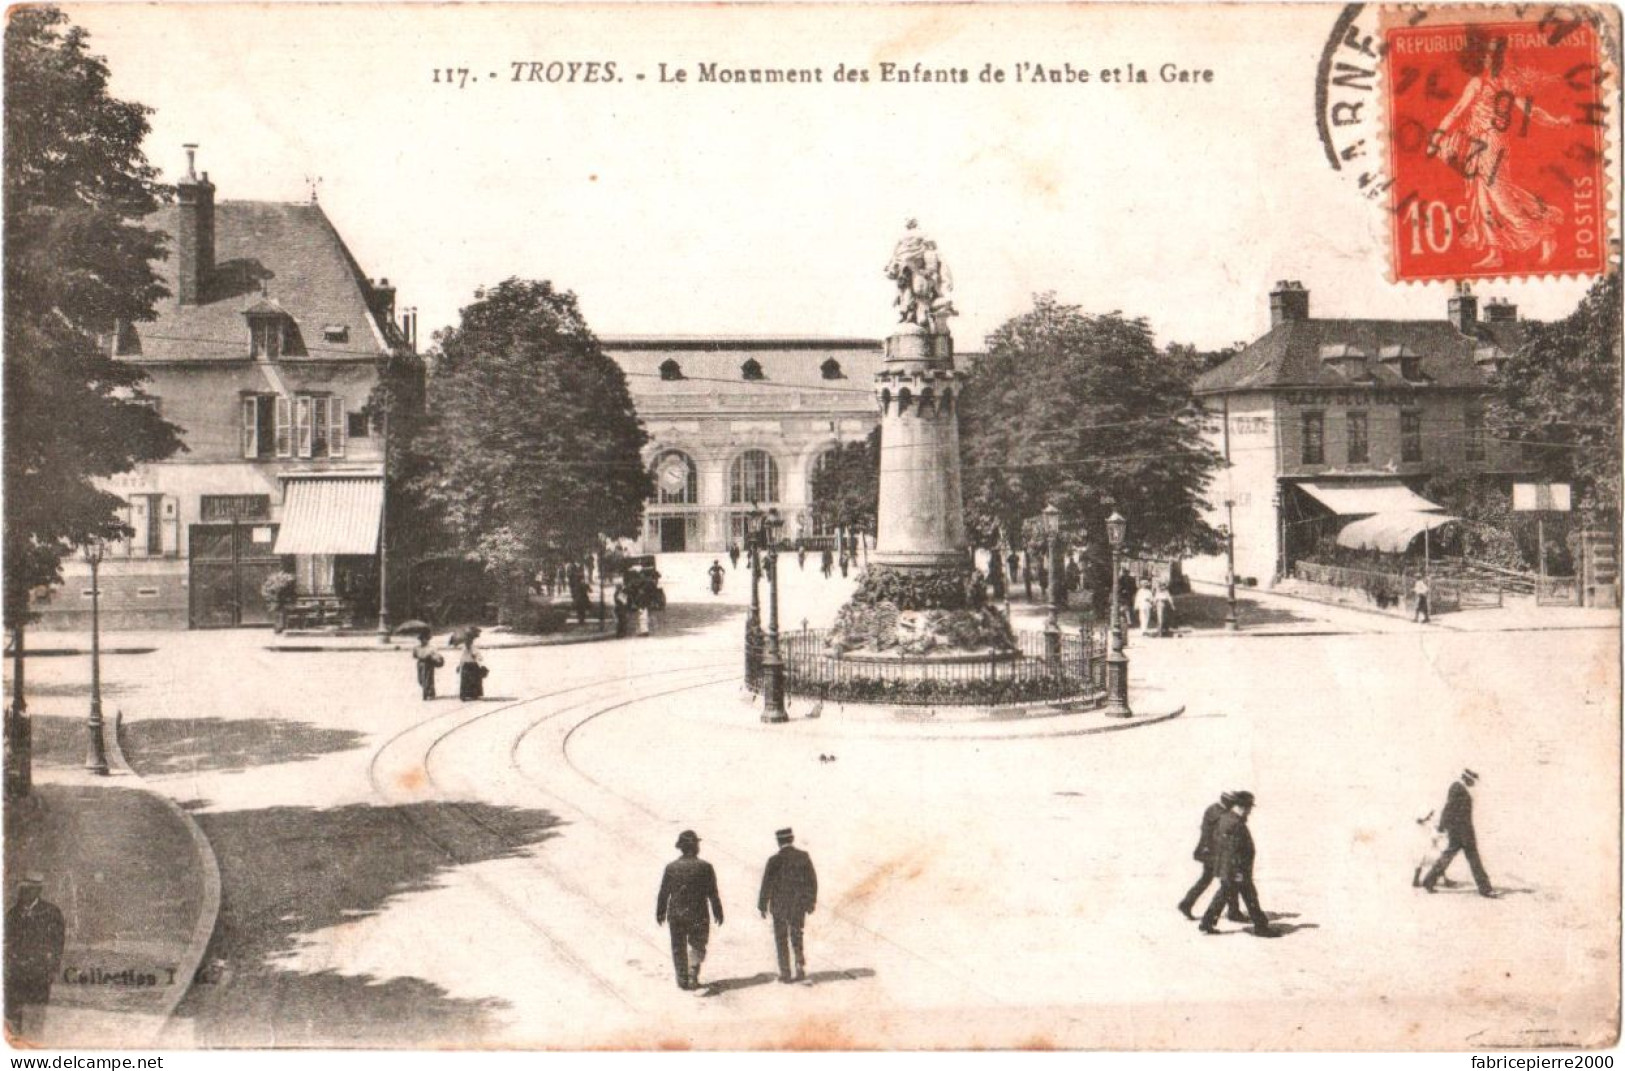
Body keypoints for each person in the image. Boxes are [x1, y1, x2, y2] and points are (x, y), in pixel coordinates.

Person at [1199, 791, 1277, 937]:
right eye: (1248, 808)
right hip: (1236, 869)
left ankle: (1207, 922)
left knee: (1223, 895)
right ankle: (1261, 927)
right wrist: (1238, 872)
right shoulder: (1235, 823)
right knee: (1250, 897)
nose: (1249, 811)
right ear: (1242, 807)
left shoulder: (1226, 818)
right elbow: (1233, 850)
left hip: (1229, 869)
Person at [656, 830, 724, 990]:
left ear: (681, 847)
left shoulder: (671, 867)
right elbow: (713, 892)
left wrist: (660, 911)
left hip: (676, 914)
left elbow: (664, 892)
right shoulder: (705, 867)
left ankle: (682, 979)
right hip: (698, 913)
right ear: (695, 847)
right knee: (698, 944)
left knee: (678, 946)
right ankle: (693, 974)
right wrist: (717, 911)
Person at [5, 874, 64, 1040]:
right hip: (16, 973)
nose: (25, 893)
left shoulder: (51, 912)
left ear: (38, 890)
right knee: (14, 1014)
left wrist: (53, 969)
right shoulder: (13, 914)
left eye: (30, 889)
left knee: (37, 1013)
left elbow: (58, 943)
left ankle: (34, 1047)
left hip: (39, 972)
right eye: (23, 889)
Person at [1420, 769, 1495, 897]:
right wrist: (1442, 826)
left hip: (1461, 831)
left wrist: (1445, 827)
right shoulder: (1457, 788)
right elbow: (1448, 809)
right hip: (1461, 832)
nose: (1473, 784)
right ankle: (1485, 889)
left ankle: (1429, 881)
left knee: (1452, 857)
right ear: (1466, 778)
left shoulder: (1459, 788)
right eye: (1472, 781)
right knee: (1472, 859)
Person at [758, 828, 818, 983]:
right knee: (797, 934)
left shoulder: (774, 860)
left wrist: (762, 905)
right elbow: (812, 882)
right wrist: (810, 901)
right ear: (792, 839)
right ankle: (799, 966)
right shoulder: (803, 857)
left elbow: (766, 884)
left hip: (779, 906)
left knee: (781, 938)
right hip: (798, 905)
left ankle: (785, 973)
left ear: (779, 842)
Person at [1178, 793, 1248, 923]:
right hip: (1214, 853)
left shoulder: (1215, 809)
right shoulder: (1218, 813)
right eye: (1232, 802)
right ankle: (1232, 912)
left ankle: (1233, 911)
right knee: (1226, 882)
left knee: (1222, 881)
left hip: (1215, 852)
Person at [412, 630, 443, 700]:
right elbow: (414, 656)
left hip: (428, 664)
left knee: (428, 678)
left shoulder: (431, 648)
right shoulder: (417, 648)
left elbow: (436, 656)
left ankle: (428, 693)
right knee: (420, 679)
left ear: (427, 639)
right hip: (420, 664)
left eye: (424, 639)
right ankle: (428, 691)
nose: (423, 641)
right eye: (421, 639)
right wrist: (416, 653)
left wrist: (435, 658)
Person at [457, 631, 486, 700]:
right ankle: (464, 695)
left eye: (469, 640)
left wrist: (475, 656)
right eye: (466, 641)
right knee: (464, 681)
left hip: (473, 665)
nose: (467, 642)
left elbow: (480, 658)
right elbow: (462, 658)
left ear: (472, 641)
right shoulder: (463, 648)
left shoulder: (474, 648)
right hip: (465, 665)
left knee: (473, 680)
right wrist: (459, 666)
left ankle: (474, 694)